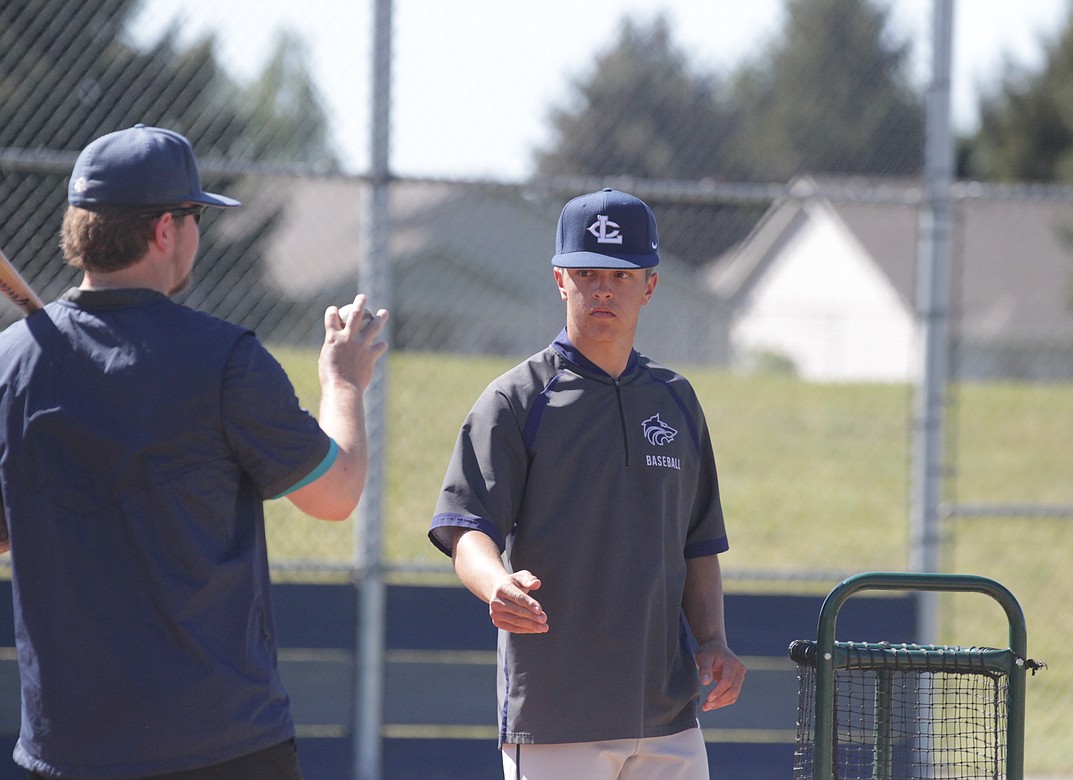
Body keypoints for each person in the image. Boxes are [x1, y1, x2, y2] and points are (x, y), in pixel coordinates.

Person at [0, 124, 388, 780]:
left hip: (69, 751)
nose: (196, 236)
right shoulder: (222, 359)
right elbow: (336, 492)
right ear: (165, 231)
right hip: (222, 745)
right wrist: (344, 382)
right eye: (194, 216)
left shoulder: (14, 364)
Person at [428, 188, 746, 780]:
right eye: (586, 272)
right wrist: (497, 585)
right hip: (556, 713)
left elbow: (698, 542)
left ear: (649, 286)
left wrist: (714, 639)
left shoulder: (676, 400)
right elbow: (466, 529)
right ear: (560, 280)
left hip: (668, 711)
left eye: (621, 275)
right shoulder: (515, 400)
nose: (603, 289)